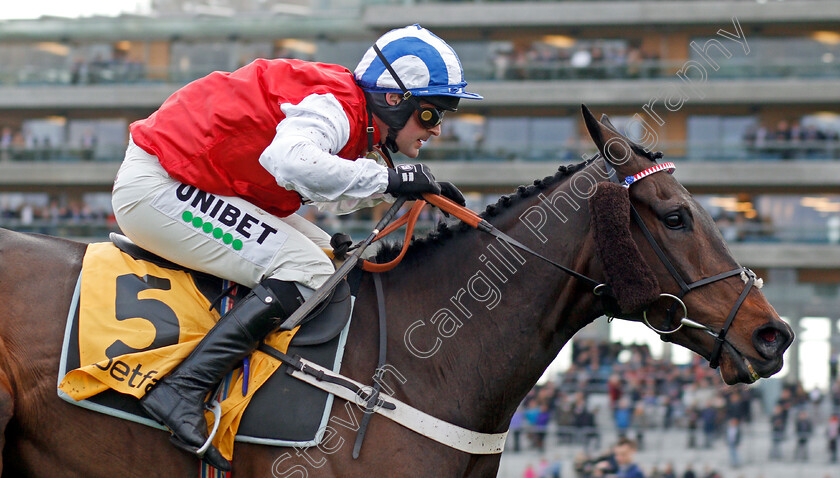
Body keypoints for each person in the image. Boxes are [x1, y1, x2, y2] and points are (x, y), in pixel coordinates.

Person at [111, 24, 480, 470]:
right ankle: (184, 388)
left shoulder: (353, 116)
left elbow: (326, 190)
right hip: (160, 184)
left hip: (199, 182)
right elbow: (289, 163)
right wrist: (392, 179)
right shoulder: (335, 105)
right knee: (311, 271)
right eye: (431, 114)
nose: (437, 130)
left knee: (333, 261)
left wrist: (404, 187)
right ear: (394, 99)